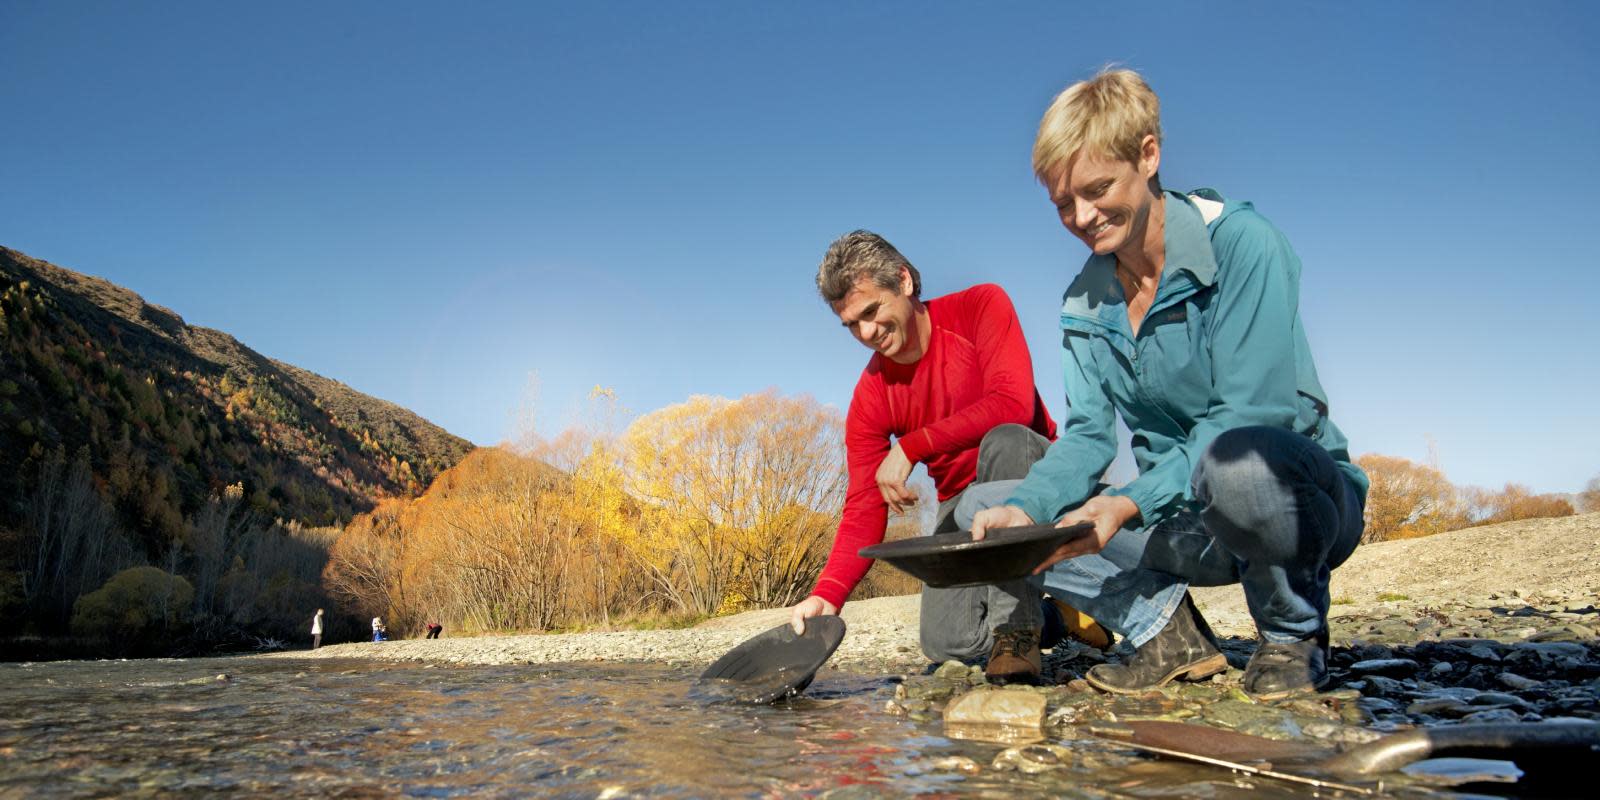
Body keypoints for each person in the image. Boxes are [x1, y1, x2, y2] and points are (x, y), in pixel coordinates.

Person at [968, 68, 1368, 700]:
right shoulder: (1082, 302)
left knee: (1236, 465)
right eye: (1063, 204)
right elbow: (1087, 438)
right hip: (1182, 522)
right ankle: (1166, 636)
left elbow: (1246, 416)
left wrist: (1127, 502)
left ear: (1149, 155)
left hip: (1293, 505)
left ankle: (1293, 632)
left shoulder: (1243, 244)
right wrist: (1029, 510)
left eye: (1097, 190)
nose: (1082, 217)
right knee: (982, 512)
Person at [786, 230, 1107, 684]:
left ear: (904, 281)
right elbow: (863, 504)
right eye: (851, 324)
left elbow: (1013, 404)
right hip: (961, 501)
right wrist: (828, 596)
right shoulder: (872, 396)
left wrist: (912, 446)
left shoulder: (981, 306)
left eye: (872, 312)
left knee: (1006, 440)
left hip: (1034, 479)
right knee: (947, 644)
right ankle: (1058, 618)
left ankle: (1017, 632)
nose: (866, 333)